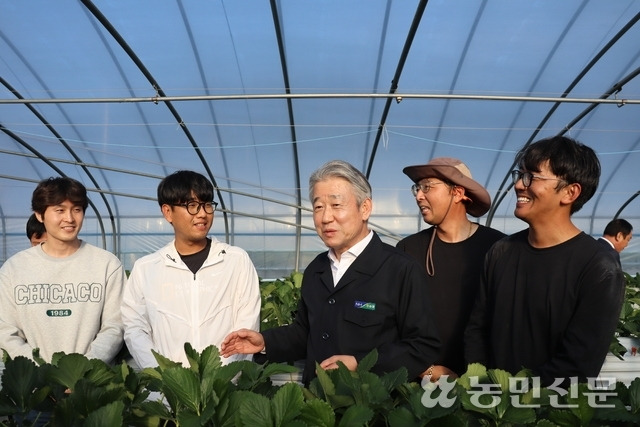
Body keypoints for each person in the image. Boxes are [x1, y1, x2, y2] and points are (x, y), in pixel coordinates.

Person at [221, 160, 441, 384]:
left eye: (336, 205)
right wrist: (265, 342)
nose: (325, 217)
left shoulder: (400, 269)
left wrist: (361, 363)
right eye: (318, 207)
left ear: (364, 208)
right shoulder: (317, 269)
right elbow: (305, 332)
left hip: (372, 409)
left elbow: (422, 345)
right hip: (316, 405)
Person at [465, 136, 624, 386]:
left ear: (570, 192)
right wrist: (484, 388)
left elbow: (578, 365)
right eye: (520, 175)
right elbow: (476, 330)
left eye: (532, 177)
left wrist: (509, 397)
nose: (519, 185)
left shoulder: (598, 268)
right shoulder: (501, 252)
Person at [121, 170, 261, 369]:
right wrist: (165, 376)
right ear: (168, 212)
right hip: (165, 392)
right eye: (192, 206)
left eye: (207, 205)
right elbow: (135, 329)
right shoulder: (146, 269)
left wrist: (219, 379)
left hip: (224, 389)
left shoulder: (235, 261)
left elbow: (246, 325)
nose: (202, 214)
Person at [397, 157, 505, 379]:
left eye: (427, 186)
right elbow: (393, 322)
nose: (419, 195)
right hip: (421, 385)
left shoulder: (498, 248)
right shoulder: (409, 249)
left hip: (484, 386)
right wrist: (428, 371)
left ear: (457, 193)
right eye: (417, 188)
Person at [0, 177, 125, 364]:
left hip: (91, 384)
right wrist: (41, 374)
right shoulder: (14, 268)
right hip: (35, 387)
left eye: (77, 209)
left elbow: (115, 327)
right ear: (40, 215)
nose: (70, 218)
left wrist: (81, 371)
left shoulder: (107, 265)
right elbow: (6, 331)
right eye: (60, 210)